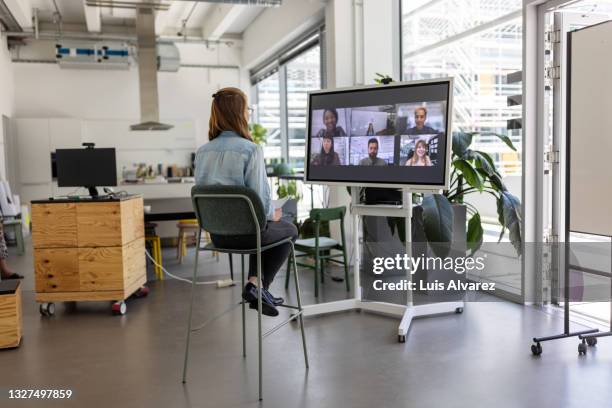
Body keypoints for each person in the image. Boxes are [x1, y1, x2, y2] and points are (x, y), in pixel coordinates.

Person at [194, 87, 297, 317]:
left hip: (217, 235)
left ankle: (255, 285)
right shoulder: (250, 150)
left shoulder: (202, 153)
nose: (249, 114)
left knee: (256, 226)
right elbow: (259, 200)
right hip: (248, 236)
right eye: (247, 109)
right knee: (288, 228)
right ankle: (259, 287)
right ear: (239, 113)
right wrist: (274, 213)